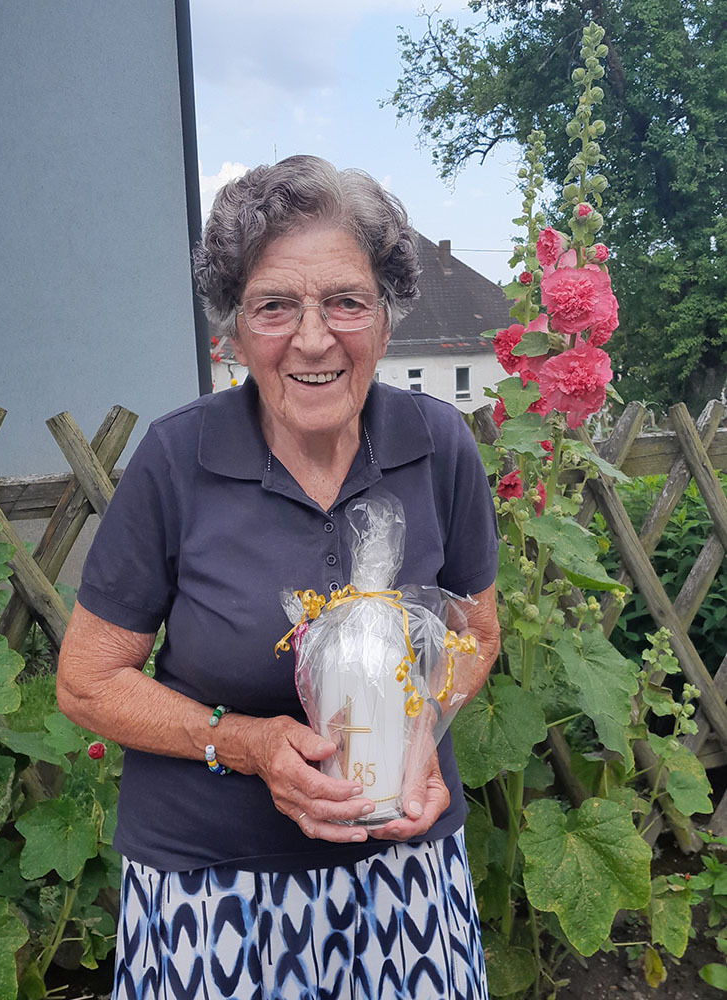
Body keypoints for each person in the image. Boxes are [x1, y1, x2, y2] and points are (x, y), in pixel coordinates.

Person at [57, 154, 500, 1000]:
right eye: (274, 305)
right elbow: (86, 682)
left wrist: (422, 738)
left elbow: (475, 634)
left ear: (386, 319)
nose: (313, 337)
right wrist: (247, 743)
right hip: (211, 888)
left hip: (403, 871)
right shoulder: (178, 458)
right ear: (232, 332)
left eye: (346, 302)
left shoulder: (438, 445)